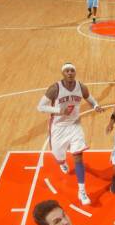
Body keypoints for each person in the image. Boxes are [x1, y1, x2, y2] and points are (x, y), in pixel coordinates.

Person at [37, 63, 104, 205]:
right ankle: (62, 161)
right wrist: (59, 111)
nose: (70, 73)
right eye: (67, 70)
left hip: (74, 125)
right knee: (58, 156)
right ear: (63, 73)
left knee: (78, 156)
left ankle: (82, 191)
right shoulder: (55, 88)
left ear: (75, 72)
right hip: (58, 127)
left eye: (72, 70)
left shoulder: (81, 87)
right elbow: (40, 106)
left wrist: (96, 105)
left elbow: (89, 97)